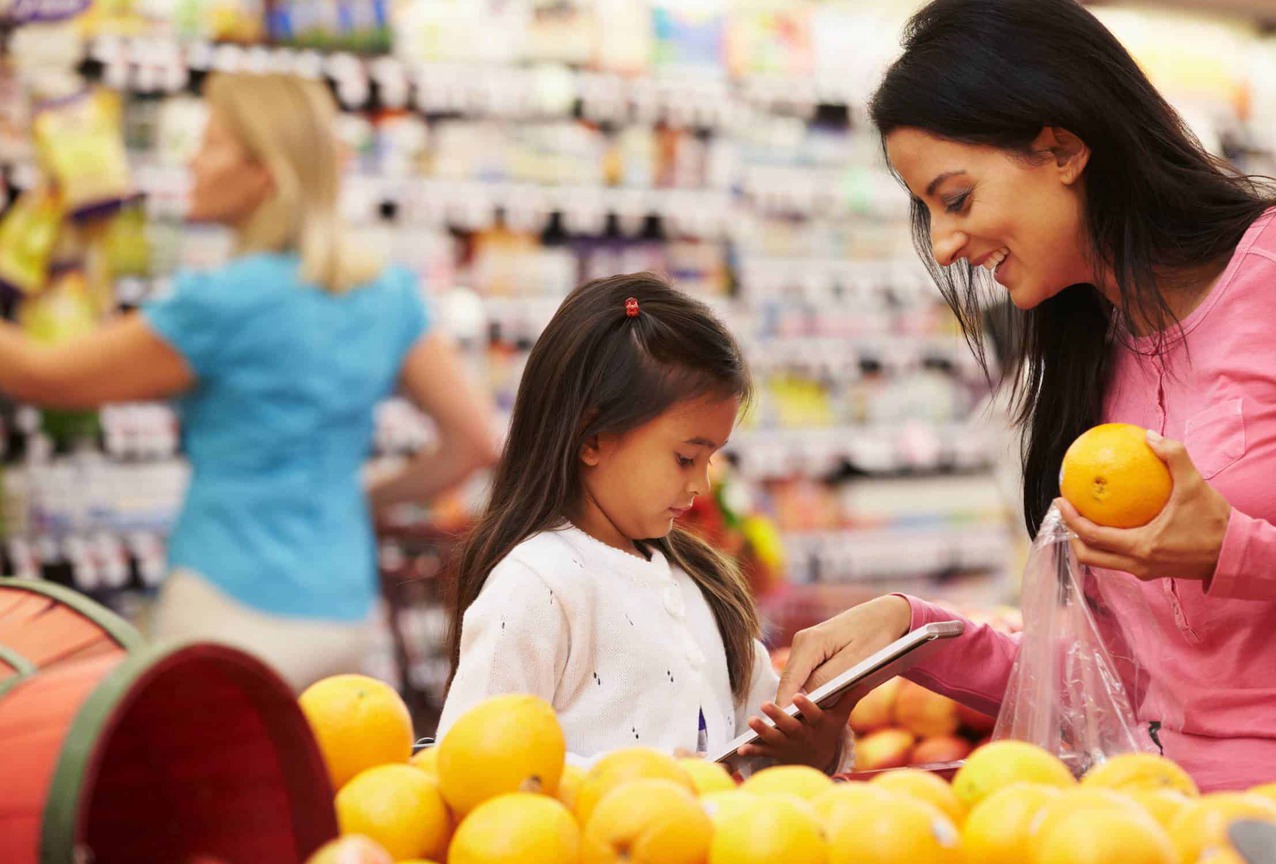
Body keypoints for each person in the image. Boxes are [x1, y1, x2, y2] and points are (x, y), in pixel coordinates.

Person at [777, 0, 1276, 797]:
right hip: (1167, 816)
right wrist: (914, 633)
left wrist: (1241, 553)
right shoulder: (1098, 356)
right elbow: (1115, 680)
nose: (945, 242)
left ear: (1060, 149)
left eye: (955, 199)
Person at [0, 73, 498, 689]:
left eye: (210, 143)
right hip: (341, 606)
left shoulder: (221, 306)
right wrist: (359, 500)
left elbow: (45, 377)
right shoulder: (388, 293)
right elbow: (475, 442)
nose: (192, 161)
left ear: (264, 172)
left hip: (227, 599)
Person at [439, 273, 855, 771]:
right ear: (592, 438)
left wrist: (814, 747)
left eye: (711, 458)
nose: (702, 484)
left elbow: (755, 741)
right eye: (685, 458)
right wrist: (645, 781)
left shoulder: (702, 583)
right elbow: (473, 762)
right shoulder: (537, 585)